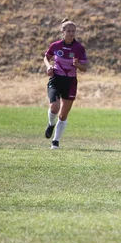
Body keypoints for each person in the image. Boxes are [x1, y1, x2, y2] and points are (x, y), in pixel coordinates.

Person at [43, 18, 89, 149]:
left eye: (73, 31)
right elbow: (46, 57)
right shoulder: (56, 45)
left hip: (70, 82)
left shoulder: (79, 48)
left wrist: (78, 64)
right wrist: (48, 67)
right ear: (63, 32)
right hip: (56, 79)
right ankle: (51, 124)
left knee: (63, 114)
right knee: (54, 108)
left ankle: (55, 142)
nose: (71, 33)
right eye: (68, 31)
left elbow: (84, 68)